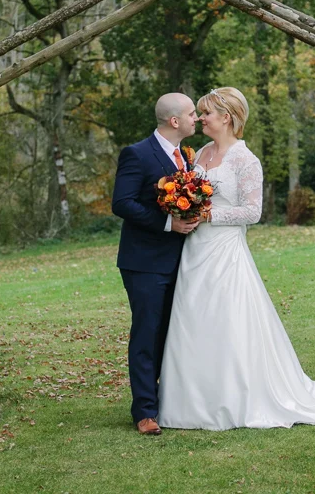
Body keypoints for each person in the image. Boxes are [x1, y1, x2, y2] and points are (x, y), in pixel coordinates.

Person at [158, 87, 315, 431]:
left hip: (225, 252)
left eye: (206, 113)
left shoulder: (246, 160)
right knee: (192, 319)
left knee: (226, 321)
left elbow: (253, 211)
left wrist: (208, 215)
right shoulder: (200, 153)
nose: (200, 119)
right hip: (194, 250)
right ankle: (190, 400)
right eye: (199, 113)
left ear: (226, 117)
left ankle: (232, 398)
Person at [111, 92, 201, 436]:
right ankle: (145, 411)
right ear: (174, 121)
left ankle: (172, 401)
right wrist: (168, 223)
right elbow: (122, 203)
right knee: (147, 334)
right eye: (191, 113)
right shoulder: (137, 153)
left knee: (173, 333)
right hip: (145, 262)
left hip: (184, 261)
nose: (197, 118)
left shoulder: (187, 157)